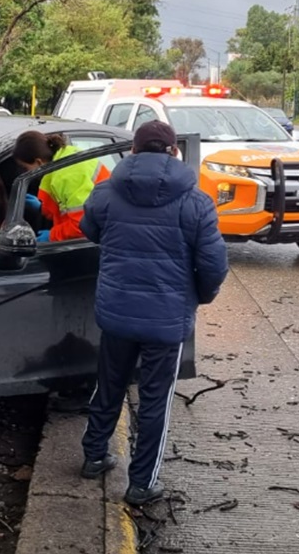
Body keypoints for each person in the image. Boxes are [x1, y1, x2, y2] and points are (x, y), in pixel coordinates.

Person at [78, 121, 228, 506]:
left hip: (116, 312)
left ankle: (94, 454)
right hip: (166, 319)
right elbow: (213, 266)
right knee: (155, 400)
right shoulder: (197, 202)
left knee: (109, 384)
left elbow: (89, 229)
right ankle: (141, 483)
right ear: (174, 152)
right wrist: (199, 297)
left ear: (133, 151)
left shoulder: (105, 193)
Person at [12, 131, 109, 243]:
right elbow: (68, 205)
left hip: (104, 237)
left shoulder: (66, 176)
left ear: (38, 162)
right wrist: (42, 208)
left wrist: (52, 236)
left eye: (25, 168)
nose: (26, 173)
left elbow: (82, 225)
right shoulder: (65, 157)